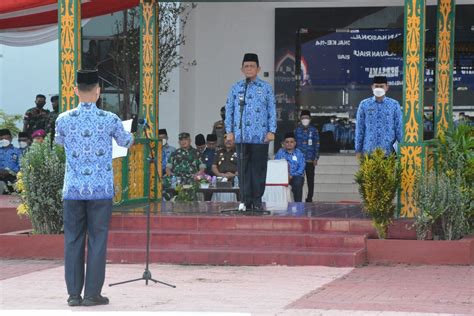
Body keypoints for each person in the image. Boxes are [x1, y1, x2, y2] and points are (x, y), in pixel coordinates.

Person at [55, 69, 133, 307]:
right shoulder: (109, 119)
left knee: (73, 240)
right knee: (98, 240)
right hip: (100, 189)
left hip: (73, 189)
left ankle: (73, 295)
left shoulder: (63, 119)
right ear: (98, 91)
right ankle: (92, 295)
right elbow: (126, 142)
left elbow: (59, 143)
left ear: (76, 91)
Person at [225, 53, 277, 210]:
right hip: (241, 136)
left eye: (252, 66)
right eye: (246, 66)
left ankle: (256, 200)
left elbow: (272, 110)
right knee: (243, 169)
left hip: (260, 136)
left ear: (258, 68)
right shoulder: (236, 88)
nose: (249, 69)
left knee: (258, 169)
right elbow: (229, 110)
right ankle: (245, 200)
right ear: (242, 69)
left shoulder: (266, 88)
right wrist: (230, 131)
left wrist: (271, 130)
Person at [355, 76, 402, 158]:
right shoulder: (364, 104)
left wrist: (403, 149)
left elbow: (399, 128)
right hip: (369, 153)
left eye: (381, 86)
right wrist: (358, 150)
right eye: (376, 86)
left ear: (387, 87)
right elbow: (360, 129)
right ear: (372, 87)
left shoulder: (394, 105)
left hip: (389, 153)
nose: (379, 88)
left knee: (389, 171)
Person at [294, 110, 320, 202]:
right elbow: (294, 145)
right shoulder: (296, 130)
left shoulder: (314, 130)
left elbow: (317, 144)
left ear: (310, 119)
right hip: (299, 160)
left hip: (310, 159)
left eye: (307, 118)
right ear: (300, 119)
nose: (305, 119)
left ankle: (309, 198)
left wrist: (316, 157)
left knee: (310, 180)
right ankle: (298, 198)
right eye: (303, 118)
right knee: (298, 180)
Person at [275, 132, 306, 202]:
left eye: (291, 142)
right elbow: (276, 165)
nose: (289, 144)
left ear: (295, 143)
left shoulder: (299, 153)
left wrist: (291, 175)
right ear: (284, 143)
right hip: (282, 176)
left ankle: (298, 205)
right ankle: (279, 205)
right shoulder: (280, 152)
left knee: (298, 182)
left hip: (295, 176)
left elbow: (302, 167)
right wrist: (285, 175)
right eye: (287, 142)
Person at [0, 129, 21, 194]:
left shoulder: (18, 151)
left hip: (13, 178)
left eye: (6, 138)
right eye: (2, 139)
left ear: (11, 139)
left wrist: (9, 171)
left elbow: (21, 165)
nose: (4, 140)